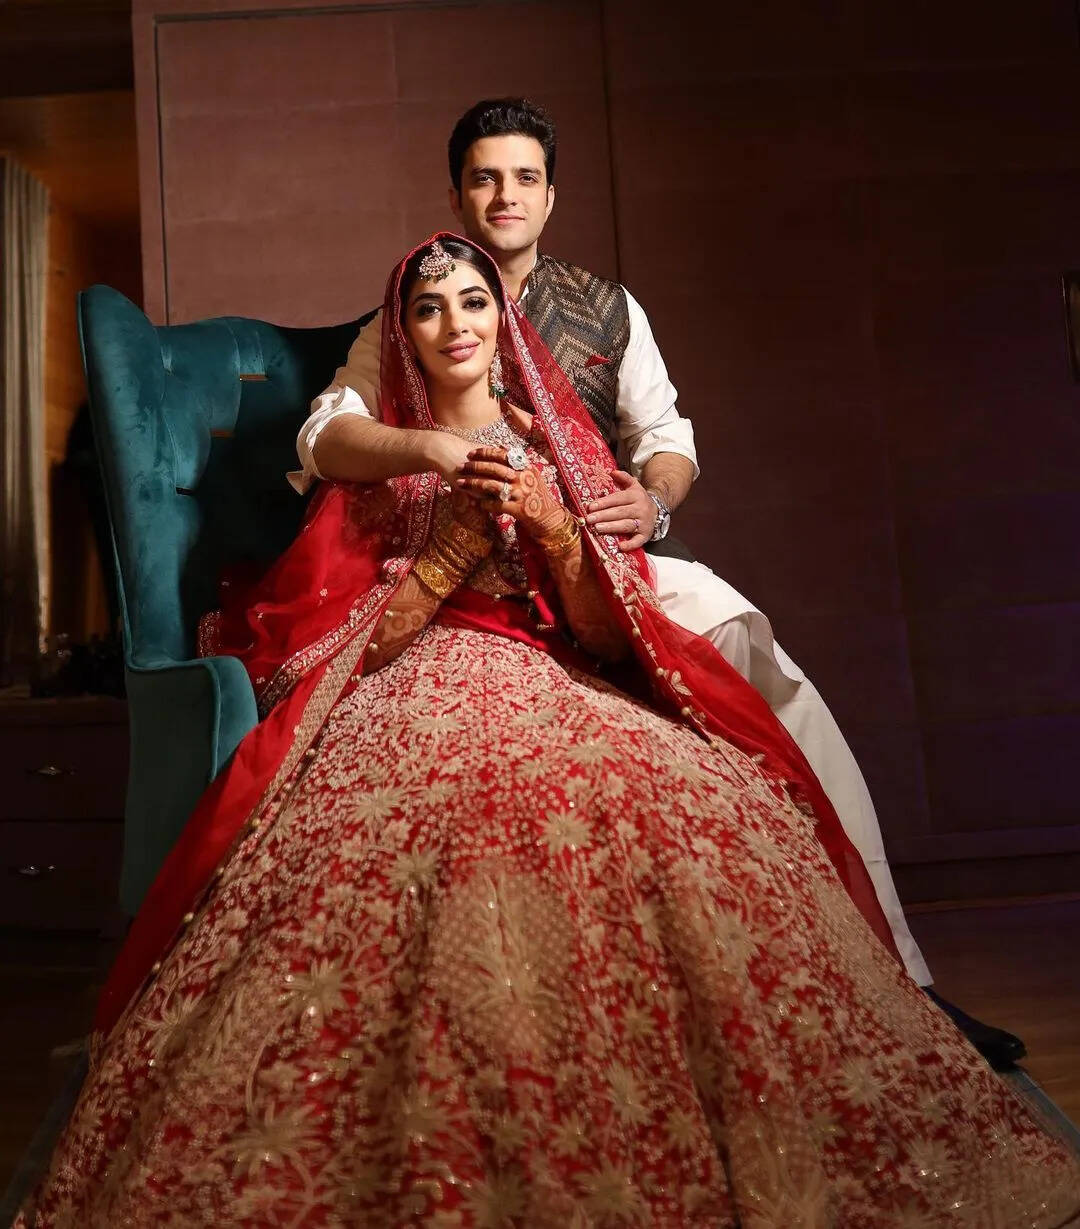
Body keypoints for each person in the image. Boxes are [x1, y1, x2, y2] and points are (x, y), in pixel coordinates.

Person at [15, 235, 1079, 1227]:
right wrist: (448, 545)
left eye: (474, 301)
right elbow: (352, 647)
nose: (456, 323)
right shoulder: (376, 460)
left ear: (503, 317)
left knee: (690, 808)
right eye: (430, 308)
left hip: (553, 671)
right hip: (417, 684)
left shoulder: (553, 443)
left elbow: (602, 631)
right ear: (404, 332)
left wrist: (559, 529)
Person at [289, 98, 1023, 1065]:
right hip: (472, 587)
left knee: (764, 663)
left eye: (524, 178)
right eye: (484, 178)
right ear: (458, 195)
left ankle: (903, 977)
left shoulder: (606, 309)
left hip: (599, 560)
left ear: (551, 197)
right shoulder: (416, 306)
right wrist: (432, 450)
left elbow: (668, 438)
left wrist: (653, 500)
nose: (504, 196)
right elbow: (323, 434)